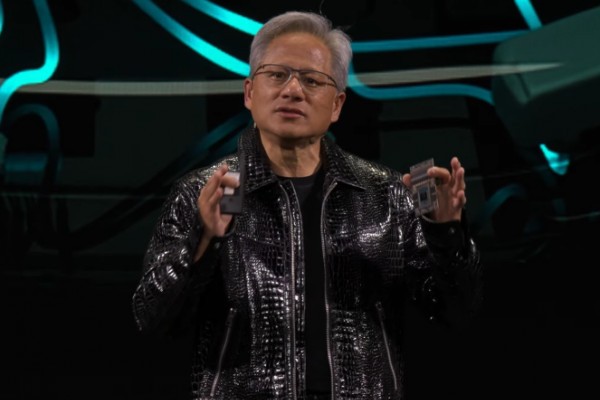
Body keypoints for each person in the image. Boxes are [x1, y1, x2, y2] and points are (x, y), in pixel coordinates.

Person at [132, 10, 482, 400]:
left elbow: (455, 313)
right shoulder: (205, 191)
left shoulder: (388, 194)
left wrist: (445, 234)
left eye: (312, 80)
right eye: (277, 75)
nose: (293, 90)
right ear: (249, 92)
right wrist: (202, 240)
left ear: (337, 105)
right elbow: (152, 320)